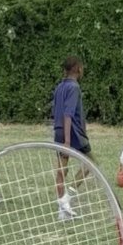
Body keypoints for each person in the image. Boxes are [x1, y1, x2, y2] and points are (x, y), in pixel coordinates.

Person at [52, 56, 90, 219]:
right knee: (90, 164)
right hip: (72, 133)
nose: (82, 70)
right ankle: (67, 198)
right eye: (81, 67)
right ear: (76, 68)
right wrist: (68, 141)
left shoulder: (60, 87)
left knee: (61, 170)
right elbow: (68, 114)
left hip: (59, 130)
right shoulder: (74, 87)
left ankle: (63, 212)